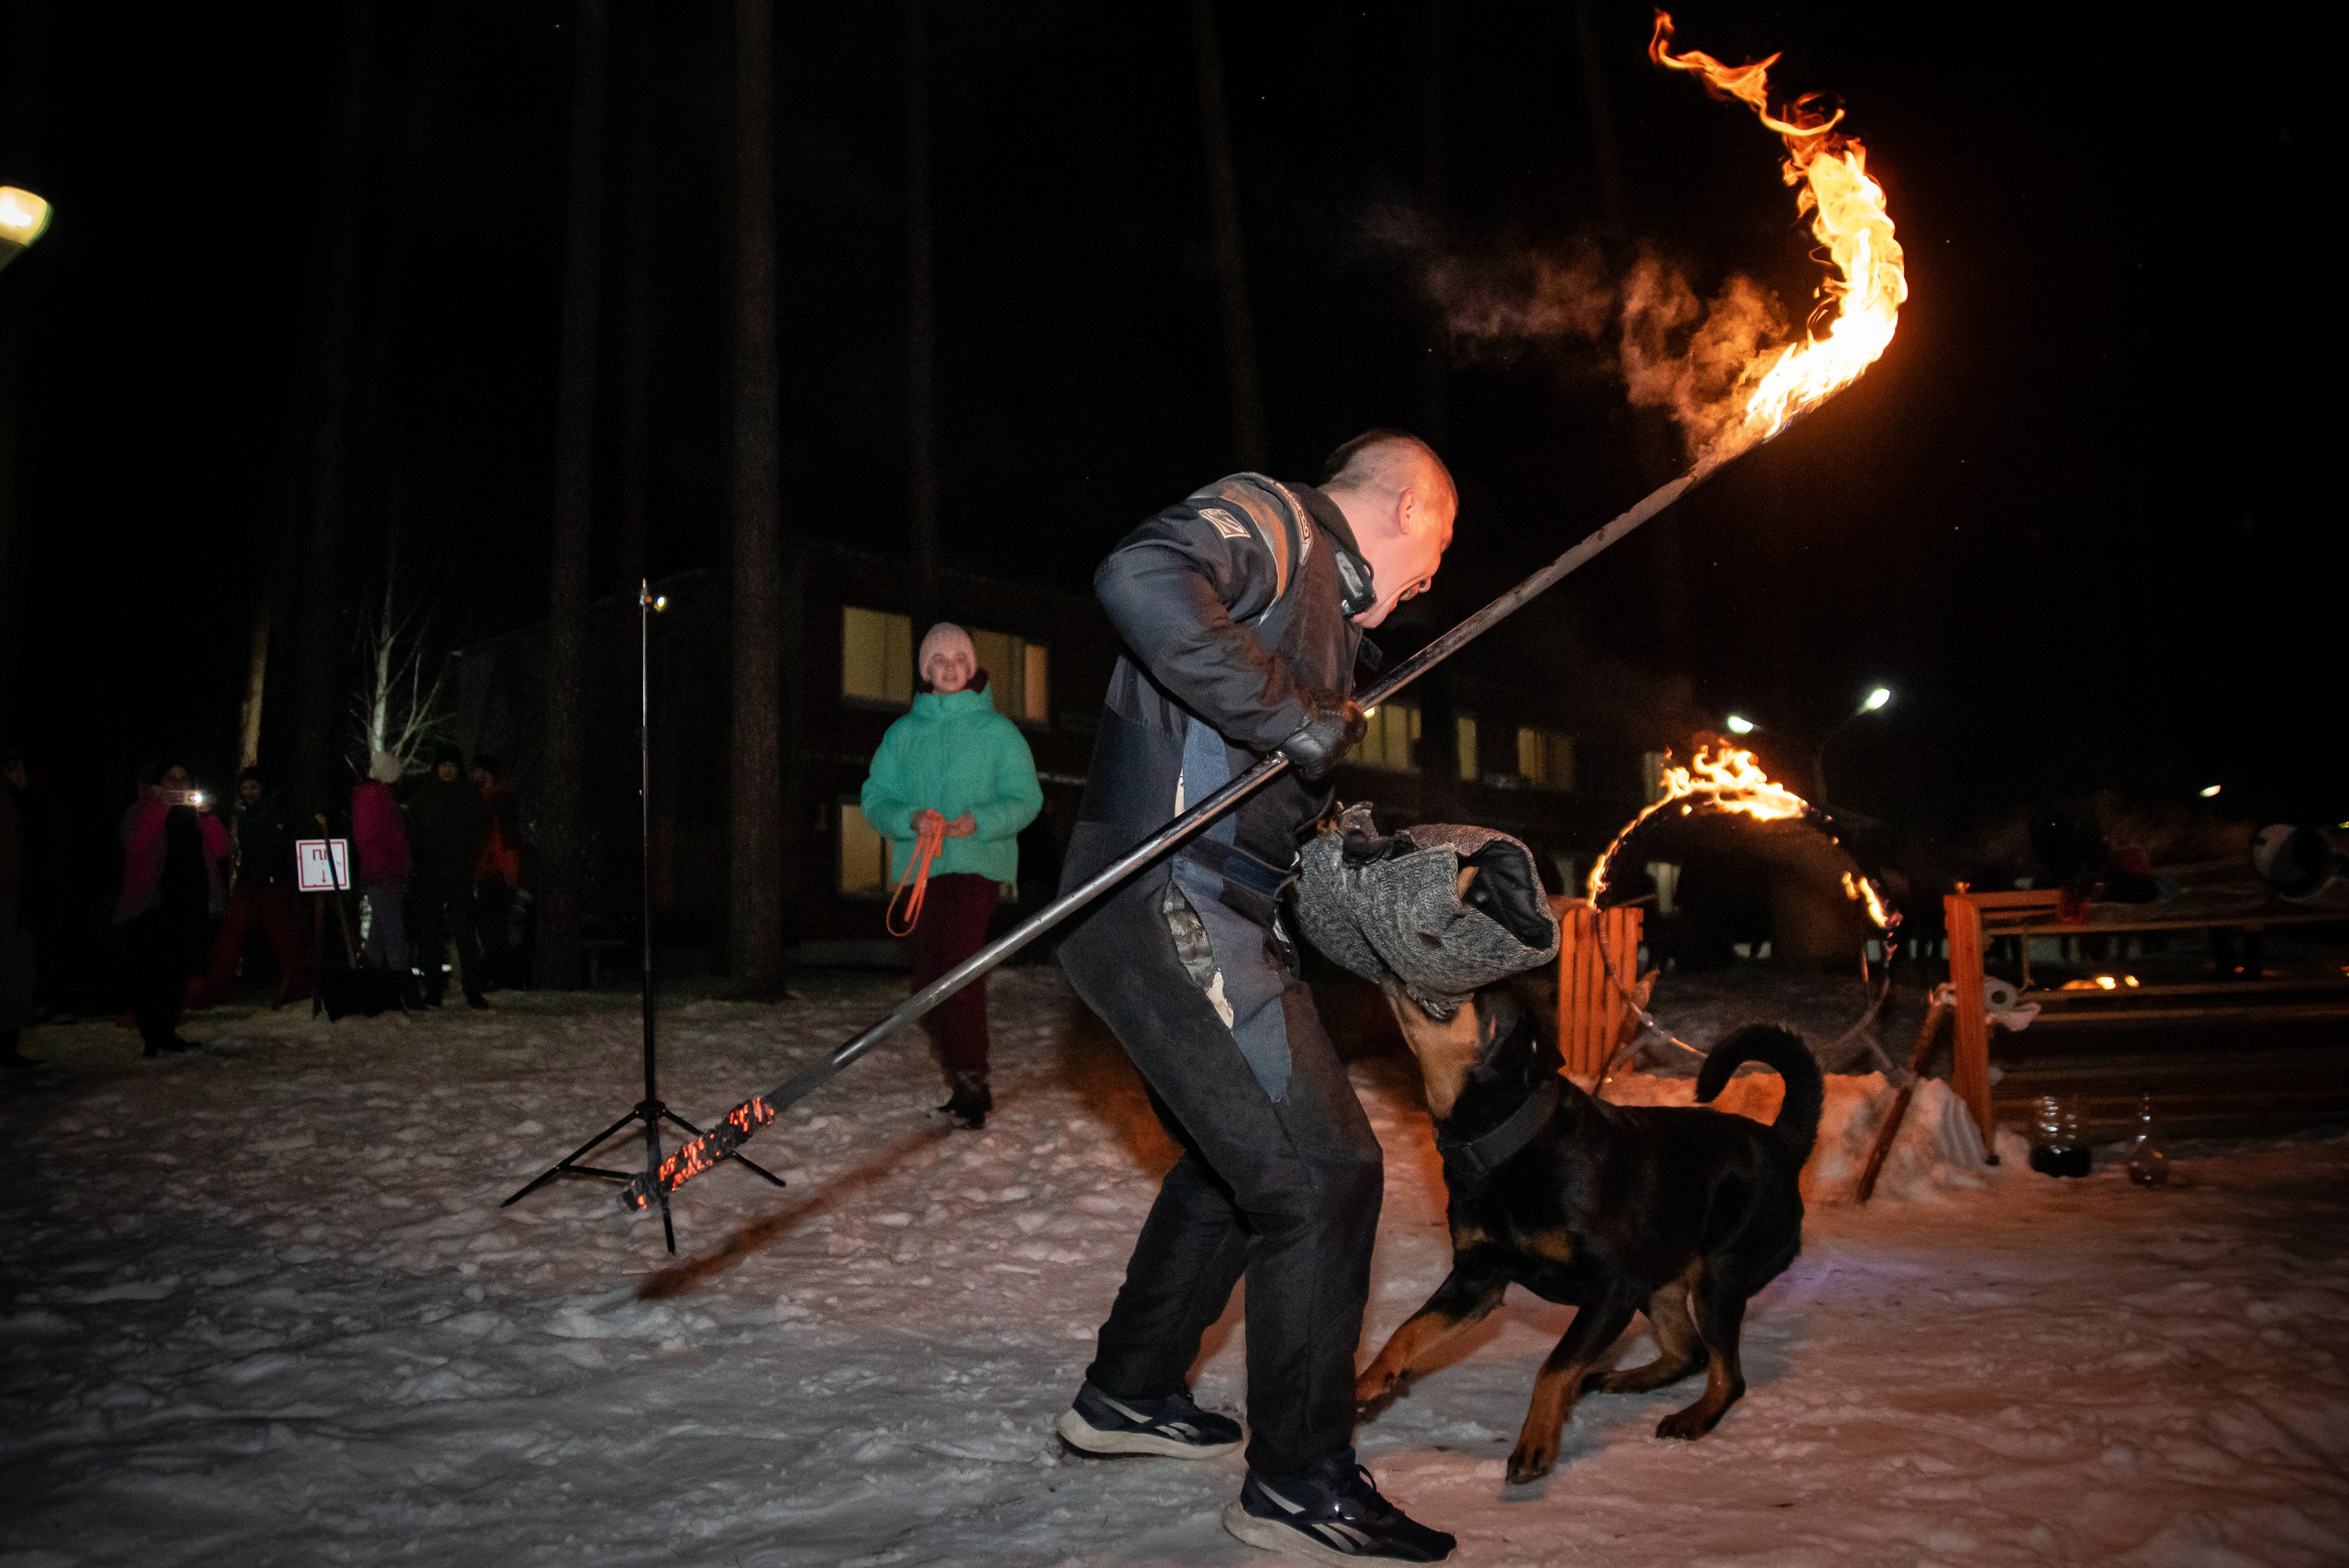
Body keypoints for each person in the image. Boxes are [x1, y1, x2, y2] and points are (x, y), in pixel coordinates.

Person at [1051, 432, 1459, 1562]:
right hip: (1167, 897)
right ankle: (1301, 1481)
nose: (1431, 584)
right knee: (1326, 1174)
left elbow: (1250, 788)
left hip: (1181, 907)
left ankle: (1127, 1391)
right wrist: (1288, 712)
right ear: (1410, 506)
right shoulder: (1277, 520)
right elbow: (1138, 573)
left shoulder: (1323, 607)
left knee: (1245, 1163)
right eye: (1439, 550)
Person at [859, 623, 1044, 1129]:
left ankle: (971, 1082)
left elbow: (1027, 798)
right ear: (925, 671)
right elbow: (875, 797)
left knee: (959, 970)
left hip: (975, 867)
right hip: (919, 873)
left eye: (958, 659)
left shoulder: (998, 733)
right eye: (938, 660)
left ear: (973, 666)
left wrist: (979, 820)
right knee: (927, 982)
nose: (950, 668)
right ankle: (960, 1070)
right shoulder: (902, 734)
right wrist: (909, 819)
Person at [115, 763, 230, 1057]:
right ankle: (152, 1037)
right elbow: (134, 842)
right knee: (153, 973)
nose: (178, 784)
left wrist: (208, 814)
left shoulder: (195, 814)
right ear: (159, 783)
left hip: (190, 905)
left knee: (178, 973)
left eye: (184, 779)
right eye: (171, 778)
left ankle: (167, 1032)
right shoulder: (144, 809)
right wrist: (160, 804)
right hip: (155, 906)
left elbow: (221, 850)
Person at [188, 767, 312, 1007]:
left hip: (270, 885)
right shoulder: (245, 814)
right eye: (245, 787)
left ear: (262, 788)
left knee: (283, 939)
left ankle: (299, 988)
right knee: (229, 938)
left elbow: (274, 850)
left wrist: (267, 874)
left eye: (253, 787)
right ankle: (214, 991)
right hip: (248, 884)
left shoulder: (274, 811)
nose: (249, 792)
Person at [406, 741, 489, 1008]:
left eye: (452, 766)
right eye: (444, 765)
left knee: (465, 934)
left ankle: (473, 990)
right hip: (429, 876)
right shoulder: (424, 796)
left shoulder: (468, 797)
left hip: (458, 874)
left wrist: (468, 861)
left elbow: (479, 833)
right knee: (431, 935)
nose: (448, 771)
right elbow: (413, 835)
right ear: (436, 768)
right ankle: (433, 991)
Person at [351, 751, 411, 975]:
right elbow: (372, 839)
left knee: (378, 936)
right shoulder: (374, 796)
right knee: (394, 935)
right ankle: (404, 988)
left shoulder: (377, 795)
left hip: (386, 873)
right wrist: (390, 868)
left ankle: (369, 986)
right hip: (384, 875)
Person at [469, 754, 527, 990]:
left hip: (497, 872)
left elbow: (505, 840)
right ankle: (505, 976)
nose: (475, 776)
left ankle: (498, 976)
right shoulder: (490, 800)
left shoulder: (498, 801)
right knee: (493, 927)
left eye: (479, 771)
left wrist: (508, 870)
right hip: (491, 871)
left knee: (490, 926)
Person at [0, 748, 34, 1069]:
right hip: (8, 900)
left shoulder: (17, 802)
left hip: (17, 900)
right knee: (11, 972)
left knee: (16, 974)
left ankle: (8, 1047)